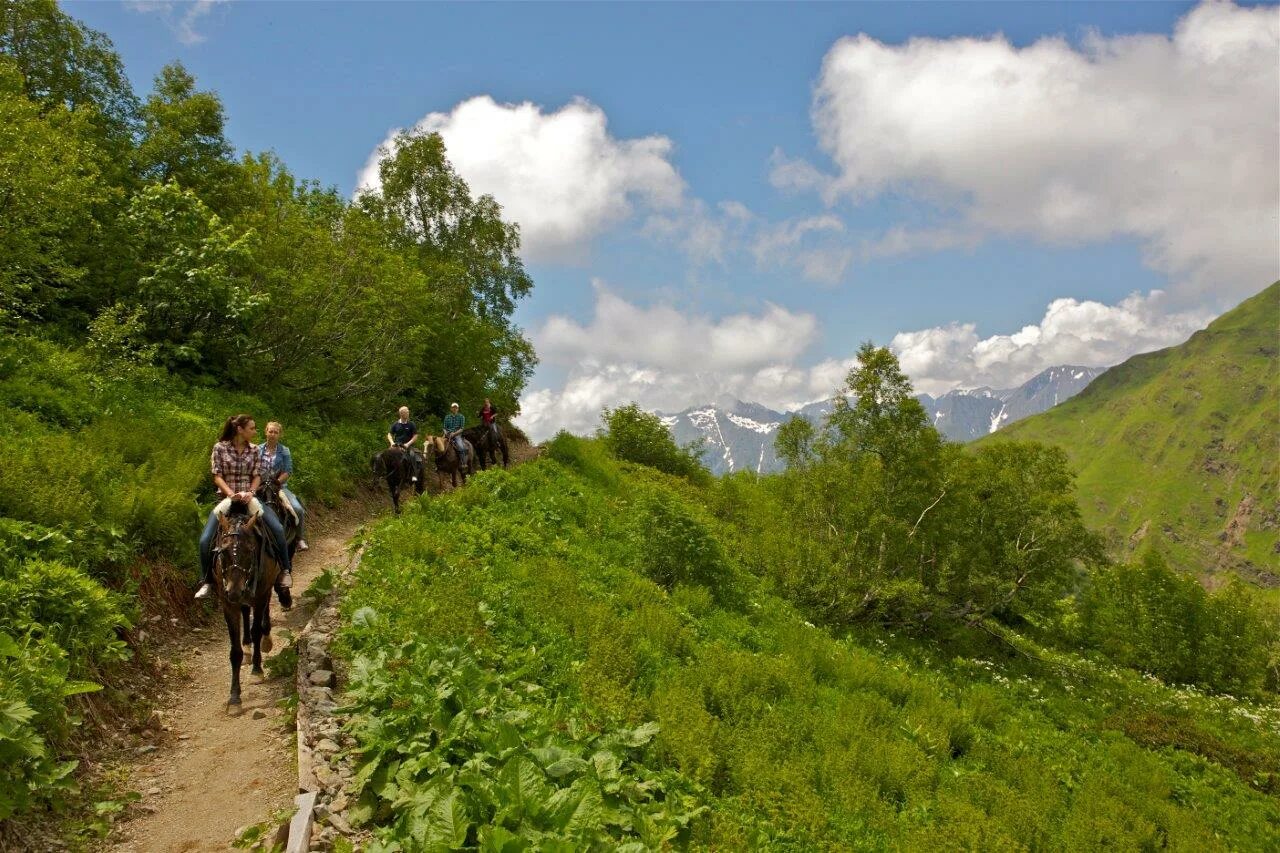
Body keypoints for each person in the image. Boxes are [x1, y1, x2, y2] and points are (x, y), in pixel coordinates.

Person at [195, 415, 293, 601]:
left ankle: (285, 571)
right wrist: (231, 494)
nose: (256, 432)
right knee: (205, 540)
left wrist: (251, 491)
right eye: (252, 428)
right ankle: (206, 581)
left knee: (278, 529)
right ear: (240, 430)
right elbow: (217, 476)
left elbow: (256, 475)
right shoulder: (220, 448)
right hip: (227, 500)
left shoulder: (255, 450)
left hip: (250, 499)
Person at [258, 421, 307, 552]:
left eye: (276, 432)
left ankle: (299, 538)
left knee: (297, 509)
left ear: (280, 434)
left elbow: (287, 471)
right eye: (270, 431)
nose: (272, 434)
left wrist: (276, 483)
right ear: (266, 432)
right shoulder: (257, 450)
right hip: (260, 487)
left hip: (279, 487)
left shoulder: (284, 451)